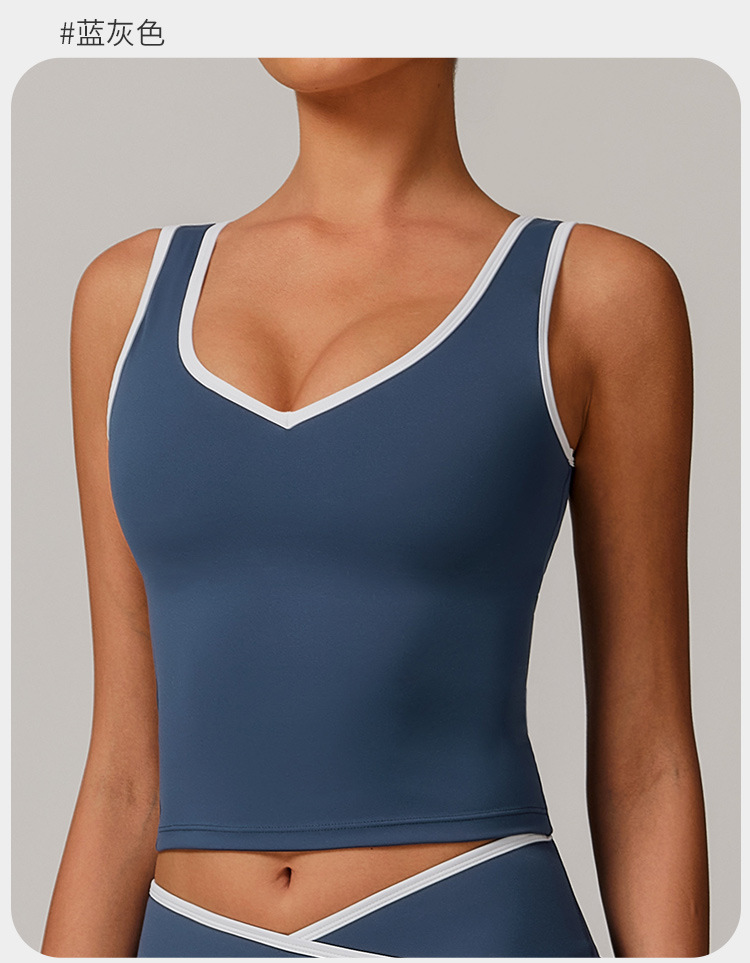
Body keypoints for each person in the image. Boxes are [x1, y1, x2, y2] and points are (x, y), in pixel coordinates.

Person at [41, 57, 709, 957]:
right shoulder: (128, 300)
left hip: (473, 927)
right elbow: (124, 769)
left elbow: (648, 759)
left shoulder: (590, 294)